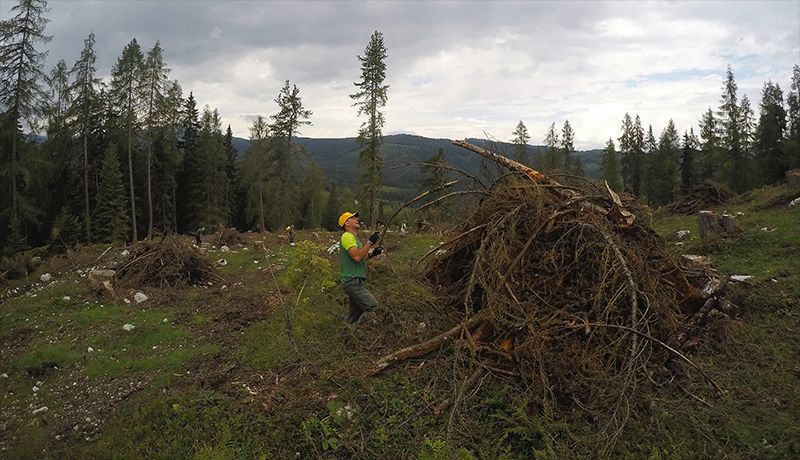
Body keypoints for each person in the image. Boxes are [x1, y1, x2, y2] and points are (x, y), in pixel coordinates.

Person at [338, 211, 383, 325]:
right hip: (352, 282)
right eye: (353, 218)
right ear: (347, 223)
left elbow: (361, 256)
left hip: (354, 281)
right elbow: (357, 256)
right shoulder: (347, 236)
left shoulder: (354, 239)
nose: (357, 219)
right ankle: (360, 334)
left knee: (355, 315)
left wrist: (372, 254)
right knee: (373, 306)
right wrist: (370, 242)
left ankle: (347, 336)